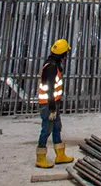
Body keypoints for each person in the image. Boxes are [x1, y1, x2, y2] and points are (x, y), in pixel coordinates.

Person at [36, 39, 75, 169]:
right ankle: (40, 157)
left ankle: (60, 155)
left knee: (57, 127)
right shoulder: (51, 68)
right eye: (65, 53)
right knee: (46, 129)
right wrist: (52, 107)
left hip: (52, 104)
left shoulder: (54, 65)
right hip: (48, 104)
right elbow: (50, 88)